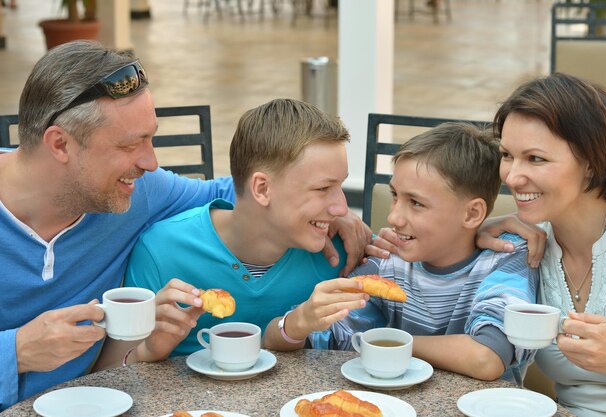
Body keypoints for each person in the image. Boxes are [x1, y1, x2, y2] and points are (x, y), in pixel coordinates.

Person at [0, 42, 368, 411]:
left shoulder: (138, 190)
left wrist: (327, 206)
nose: (150, 161)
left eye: (151, 137)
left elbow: (237, 191)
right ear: (60, 144)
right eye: (131, 144)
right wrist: (18, 351)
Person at [98, 98, 370, 366]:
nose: (341, 208)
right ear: (262, 189)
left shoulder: (343, 251)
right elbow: (108, 375)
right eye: (323, 189)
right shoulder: (160, 251)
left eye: (340, 186)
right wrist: (149, 349)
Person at [264, 122, 539, 384]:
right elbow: (300, 338)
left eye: (416, 203)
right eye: (395, 195)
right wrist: (298, 322)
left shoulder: (507, 258)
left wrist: (387, 343)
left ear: (472, 213)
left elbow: (487, 357)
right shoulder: (387, 262)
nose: (394, 217)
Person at [494, 73, 606, 417]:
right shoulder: (522, 245)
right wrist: (471, 232)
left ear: (592, 163)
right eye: (507, 155)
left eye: (535, 159)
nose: (512, 176)